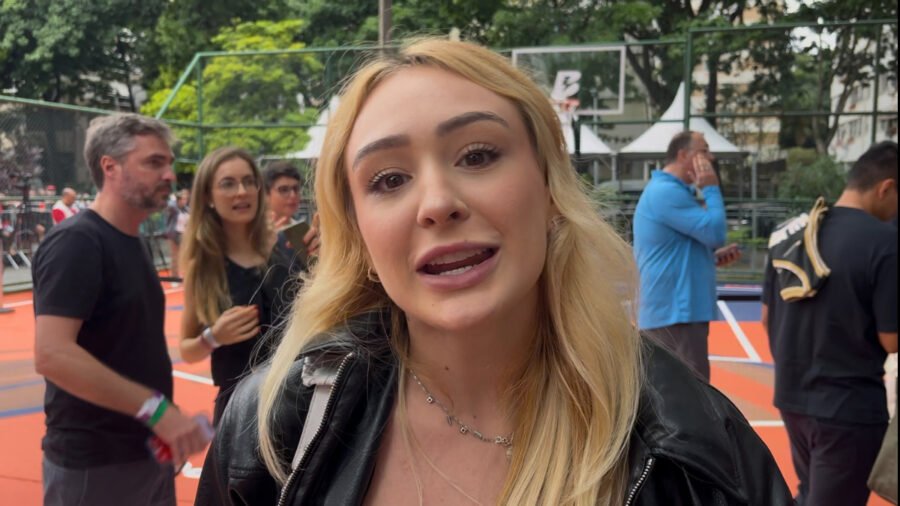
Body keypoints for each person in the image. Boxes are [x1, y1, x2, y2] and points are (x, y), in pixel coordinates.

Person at [197, 39, 790, 505]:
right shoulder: (271, 428)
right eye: (389, 179)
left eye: (477, 155)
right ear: (358, 235)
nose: (436, 203)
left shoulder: (702, 456)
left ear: (550, 187)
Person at [32, 113, 212, 506]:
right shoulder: (78, 241)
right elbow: (52, 354)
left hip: (144, 454)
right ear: (109, 167)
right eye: (154, 162)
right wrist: (157, 411)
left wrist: (162, 420)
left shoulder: (132, 241)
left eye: (168, 163)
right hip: (96, 466)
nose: (169, 175)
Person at [762, 141, 898, 506]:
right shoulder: (886, 242)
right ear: (886, 188)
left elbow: (766, 317)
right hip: (849, 405)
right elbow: (891, 339)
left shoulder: (792, 233)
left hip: (793, 396)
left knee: (810, 492)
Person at [178, 147, 294, 425]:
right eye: (228, 184)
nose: (241, 192)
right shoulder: (204, 267)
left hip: (296, 399)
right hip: (240, 412)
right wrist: (214, 336)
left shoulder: (287, 247)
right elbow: (187, 349)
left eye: (248, 182)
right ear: (208, 197)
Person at [632, 131, 740, 381]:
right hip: (676, 314)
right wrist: (711, 188)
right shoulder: (666, 192)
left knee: (674, 392)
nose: (710, 158)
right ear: (683, 155)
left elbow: (674, 249)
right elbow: (715, 233)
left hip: (673, 313)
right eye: (704, 151)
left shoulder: (668, 191)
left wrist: (710, 257)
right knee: (691, 394)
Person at [263, 161, 320, 267]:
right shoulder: (253, 233)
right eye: (284, 190)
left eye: (296, 189)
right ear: (266, 194)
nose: (293, 195)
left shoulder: (303, 231)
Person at [164, 189, 189, 281]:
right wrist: (173, 198)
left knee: (186, 256)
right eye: (183, 199)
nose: (185, 201)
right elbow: (169, 205)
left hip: (184, 235)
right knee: (175, 257)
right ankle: (174, 278)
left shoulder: (186, 209)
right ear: (178, 200)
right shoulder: (173, 208)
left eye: (186, 199)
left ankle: (187, 276)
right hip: (174, 235)